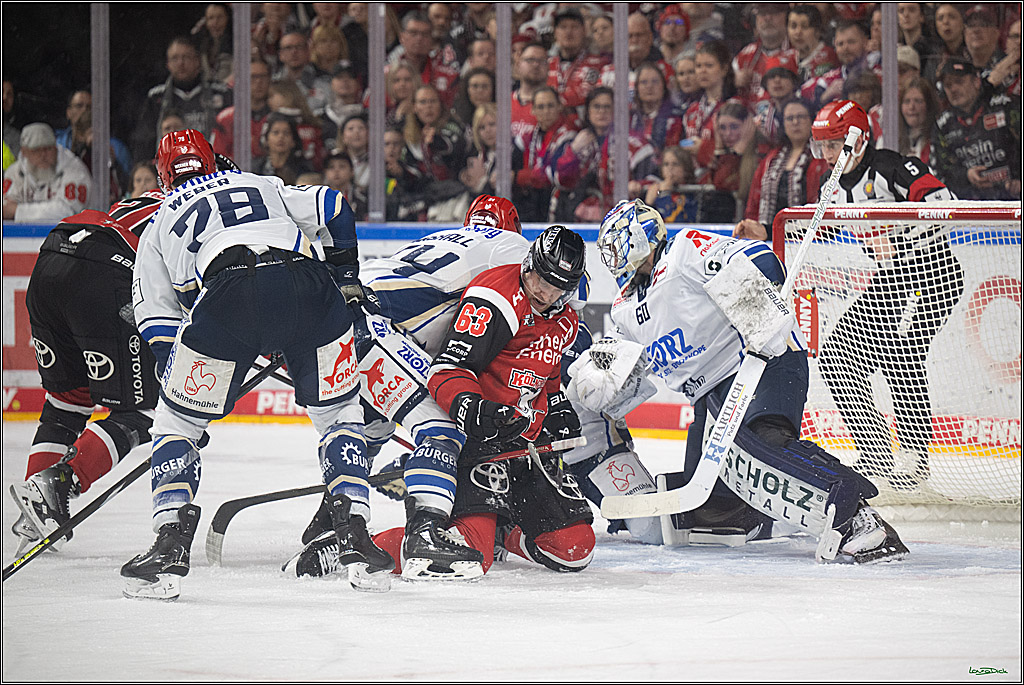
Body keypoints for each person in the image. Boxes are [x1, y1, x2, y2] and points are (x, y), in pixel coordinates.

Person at [122, 129, 390, 599]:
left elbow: (158, 318)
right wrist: (346, 278)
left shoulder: (161, 219)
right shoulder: (260, 182)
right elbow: (332, 204)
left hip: (229, 296)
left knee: (175, 423)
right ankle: (354, 532)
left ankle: (169, 543)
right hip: (310, 289)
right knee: (340, 415)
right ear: (213, 160)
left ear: (164, 177)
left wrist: (181, 387)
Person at [587, 197, 908, 564]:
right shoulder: (624, 308)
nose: (611, 256)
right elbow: (626, 372)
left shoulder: (683, 250)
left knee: (760, 447)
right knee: (711, 506)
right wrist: (599, 381)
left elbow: (761, 259)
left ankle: (858, 516)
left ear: (639, 234)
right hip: (710, 397)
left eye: (616, 243)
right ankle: (776, 519)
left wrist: (760, 312)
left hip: (761, 363)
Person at [288, 195, 531, 579]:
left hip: (330, 316)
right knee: (443, 427)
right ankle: (426, 534)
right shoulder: (511, 247)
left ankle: (332, 519)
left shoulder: (441, 238)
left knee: (373, 426)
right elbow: (567, 291)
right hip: (370, 322)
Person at [414, 225, 593, 575]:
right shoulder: (495, 297)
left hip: (527, 448)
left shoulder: (566, 321)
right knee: (469, 556)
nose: (544, 290)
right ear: (529, 263)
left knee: (575, 550)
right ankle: (364, 547)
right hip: (482, 442)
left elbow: (546, 374)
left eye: (557, 285)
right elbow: (447, 369)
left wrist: (556, 405)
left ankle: (502, 526)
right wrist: (475, 408)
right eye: (540, 276)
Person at [810, 100, 965, 489]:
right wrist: (766, 228)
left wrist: (901, 239)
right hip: (892, 281)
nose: (827, 155)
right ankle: (876, 451)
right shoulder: (832, 186)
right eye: (822, 146)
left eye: (833, 145)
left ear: (857, 140)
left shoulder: (891, 166)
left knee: (903, 354)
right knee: (837, 356)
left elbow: (943, 203)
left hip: (935, 273)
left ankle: (914, 457)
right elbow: (811, 227)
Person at [9, 196, 163, 556]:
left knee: (67, 401)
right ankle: (60, 482)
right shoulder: (210, 208)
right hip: (103, 272)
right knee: (144, 411)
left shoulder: (154, 196)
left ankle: (36, 507)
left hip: (53, 255)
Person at [131, 37, 231, 163]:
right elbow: (143, 144)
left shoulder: (220, 94)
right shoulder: (156, 98)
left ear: (197, 61)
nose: (181, 63)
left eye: (186, 57)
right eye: (175, 58)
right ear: (168, 64)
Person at [933, 59, 1021, 200]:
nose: (953, 89)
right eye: (948, 85)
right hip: (971, 205)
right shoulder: (943, 125)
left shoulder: (1005, 107)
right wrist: (966, 175)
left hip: (1014, 201)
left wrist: (1018, 178)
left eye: (959, 82)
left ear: (976, 81)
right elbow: (941, 171)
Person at [739, 98, 828, 238]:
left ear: (812, 120)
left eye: (801, 117)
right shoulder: (771, 159)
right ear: (783, 124)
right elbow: (754, 202)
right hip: (767, 238)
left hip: (808, 238)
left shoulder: (823, 158)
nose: (795, 122)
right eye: (789, 118)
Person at [3, 123, 93, 222]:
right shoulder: (15, 172)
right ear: (24, 152)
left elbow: (67, 211)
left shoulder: (75, 170)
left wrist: (18, 211)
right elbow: (6, 207)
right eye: (36, 150)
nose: (43, 155)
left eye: (47, 149)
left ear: (55, 147)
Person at [513, 86, 576, 223]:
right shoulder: (529, 136)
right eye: (541, 107)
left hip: (558, 204)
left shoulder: (568, 135)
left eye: (550, 106)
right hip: (532, 203)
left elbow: (554, 174)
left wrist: (518, 176)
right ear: (533, 110)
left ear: (559, 107)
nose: (546, 111)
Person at [546, 7, 609, 112]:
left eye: (574, 27)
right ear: (555, 33)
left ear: (584, 31)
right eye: (563, 27)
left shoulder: (599, 64)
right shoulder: (545, 65)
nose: (568, 32)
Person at [211, 59, 272, 161]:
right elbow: (217, 157)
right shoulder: (226, 118)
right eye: (253, 77)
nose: (259, 82)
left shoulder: (278, 117)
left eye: (263, 76)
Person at [733, 4, 791, 101]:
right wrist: (733, 82)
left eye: (774, 12)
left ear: (787, 17)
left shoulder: (798, 54)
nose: (768, 18)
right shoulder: (745, 55)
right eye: (762, 13)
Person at [252, 112, 313, 185]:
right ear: (266, 139)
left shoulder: (303, 169)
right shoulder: (256, 168)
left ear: (293, 141)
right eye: (276, 132)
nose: (281, 137)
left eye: (286, 133)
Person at [645, 146, 699, 223]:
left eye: (675, 164)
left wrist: (664, 195)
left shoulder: (693, 194)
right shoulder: (657, 190)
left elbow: (676, 223)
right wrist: (648, 204)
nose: (670, 168)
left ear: (686, 168)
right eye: (666, 164)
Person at [786, 5, 838, 85]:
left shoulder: (830, 56)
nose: (798, 32)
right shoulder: (786, 58)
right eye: (793, 26)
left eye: (804, 27)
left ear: (817, 31)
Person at [192, 3, 233, 85]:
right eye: (211, 18)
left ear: (228, 19)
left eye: (220, 17)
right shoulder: (201, 46)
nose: (215, 22)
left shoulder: (238, 44)